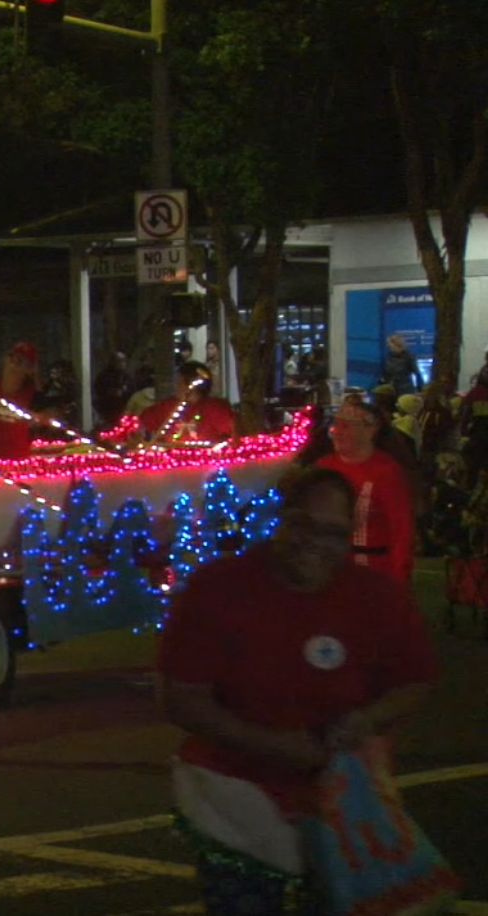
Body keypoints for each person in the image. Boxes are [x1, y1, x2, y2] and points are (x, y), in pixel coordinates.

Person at [157, 467, 438, 915]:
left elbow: (414, 682)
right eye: (304, 524)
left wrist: (367, 720)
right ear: (282, 517)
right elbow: (183, 697)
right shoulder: (218, 588)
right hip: (236, 801)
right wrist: (274, 745)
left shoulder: (378, 597)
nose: (315, 542)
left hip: (341, 801)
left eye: (333, 533)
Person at [312, 397, 417, 585]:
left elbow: (401, 529)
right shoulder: (324, 467)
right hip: (330, 570)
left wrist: (399, 578)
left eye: (346, 427)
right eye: (336, 425)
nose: (337, 432)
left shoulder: (386, 472)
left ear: (370, 431)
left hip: (373, 571)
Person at [137, 361, 236, 445]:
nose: (176, 386)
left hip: (207, 460)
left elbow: (235, 430)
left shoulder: (215, 408)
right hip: (172, 460)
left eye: (179, 382)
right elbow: (141, 423)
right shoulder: (167, 407)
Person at [0, 341, 43, 460]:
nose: (13, 364)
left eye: (20, 362)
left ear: (30, 369)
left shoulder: (33, 398)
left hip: (17, 464)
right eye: (11, 358)